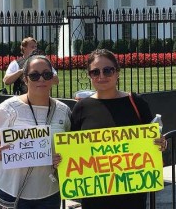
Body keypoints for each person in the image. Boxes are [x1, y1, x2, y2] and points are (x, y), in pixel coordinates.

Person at [70, 49, 168, 209]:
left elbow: (154, 140)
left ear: (117, 73)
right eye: (95, 72)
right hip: (95, 194)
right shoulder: (82, 107)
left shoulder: (136, 102)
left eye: (107, 70)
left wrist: (161, 144)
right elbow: (72, 149)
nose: (101, 76)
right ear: (89, 76)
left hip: (131, 194)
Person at [0, 55, 71, 209]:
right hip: (11, 192)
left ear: (52, 78)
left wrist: (63, 158)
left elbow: (71, 148)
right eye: (34, 75)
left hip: (49, 193)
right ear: (25, 79)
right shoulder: (9, 108)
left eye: (46, 74)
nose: (41, 80)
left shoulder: (63, 111)